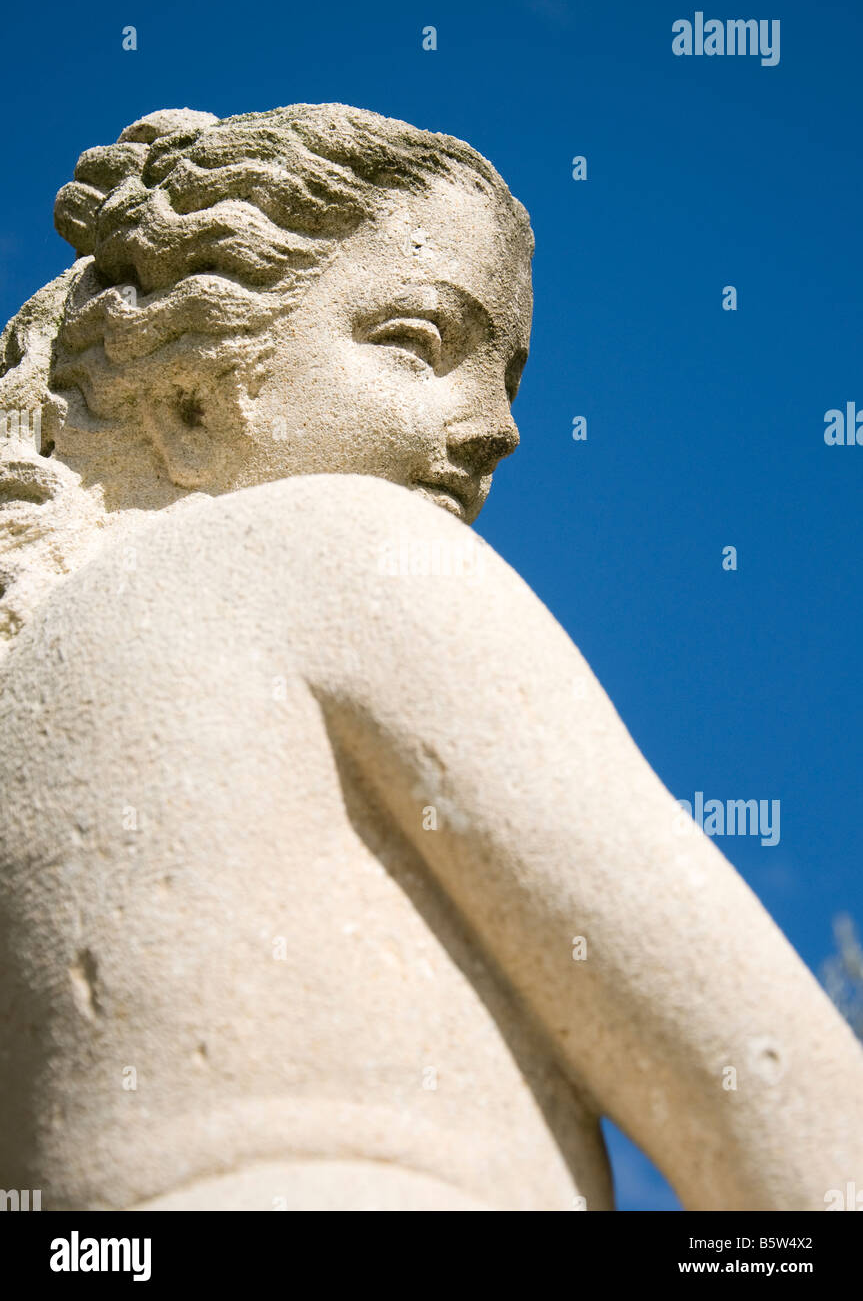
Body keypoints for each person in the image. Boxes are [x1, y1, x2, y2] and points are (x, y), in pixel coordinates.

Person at [1, 104, 861, 1211]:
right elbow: (783, 1107)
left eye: (507, 377)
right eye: (418, 342)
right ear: (189, 398)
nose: (498, 428)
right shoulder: (336, 547)